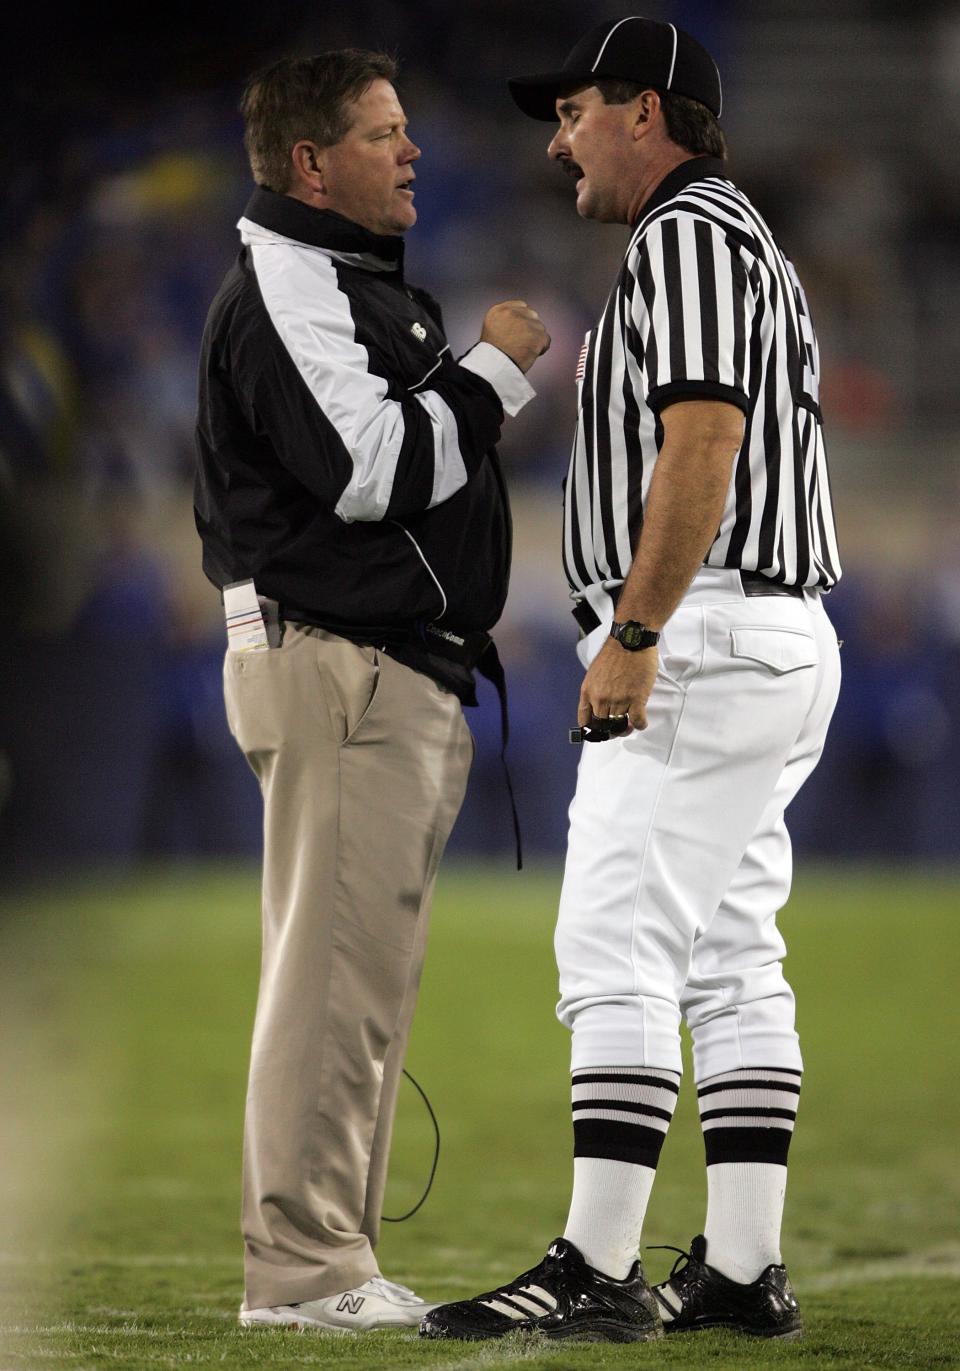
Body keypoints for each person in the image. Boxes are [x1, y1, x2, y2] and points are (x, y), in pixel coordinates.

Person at [422, 16, 841, 1344]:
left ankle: (597, 1261)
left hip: (709, 629)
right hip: (756, 631)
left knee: (616, 939)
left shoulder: (689, 233)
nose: (558, 138)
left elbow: (705, 438)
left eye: (574, 110)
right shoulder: (727, 235)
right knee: (729, 953)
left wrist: (639, 629)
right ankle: (741, 1264)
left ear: (644, 112)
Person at [194, 49, 549, 1333]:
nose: (412, 152)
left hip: (381, 672)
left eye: (408, 129)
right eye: (384, 132)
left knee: (359, 982)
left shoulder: (340, 282)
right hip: (335, 666)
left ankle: (329, 1253)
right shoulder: (288, 283)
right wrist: (494, 370)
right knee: (333, 982)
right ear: (310, 163)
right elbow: (371, 469)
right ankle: (305, 1272)